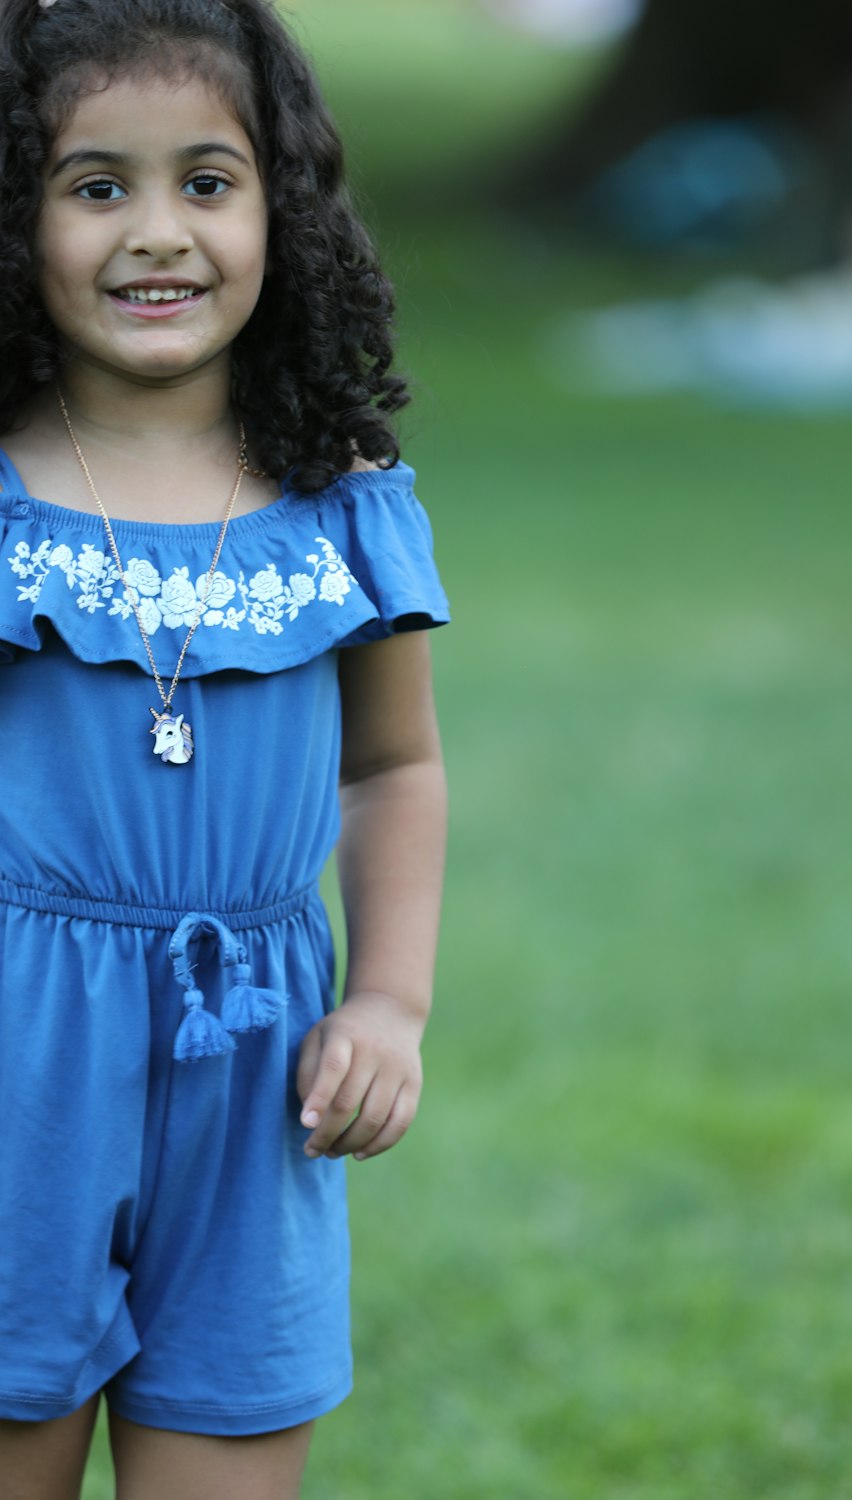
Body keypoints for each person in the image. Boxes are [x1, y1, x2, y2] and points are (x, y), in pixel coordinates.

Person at [0, 1, 449, 1496]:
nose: (156, 234)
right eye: (94, 186)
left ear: (282, 208)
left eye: (206, 181)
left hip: (257, 1073)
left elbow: (393, 769)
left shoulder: (343, 498)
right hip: (18, 1062)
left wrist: (386, 1001)